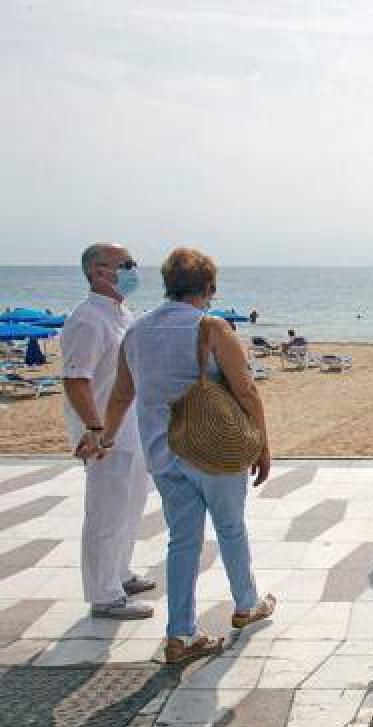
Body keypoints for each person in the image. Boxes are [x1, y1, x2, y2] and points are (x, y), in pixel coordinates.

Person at [79, 247, 276, 664]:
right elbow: (245, 390)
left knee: (182, 542)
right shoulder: (212, 328)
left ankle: (180, 635)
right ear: (208, 288)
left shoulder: (138, 331)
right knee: (230, 529)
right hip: (214, 451)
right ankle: (246, 604)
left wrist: (105, 438)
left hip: (163, 453)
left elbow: (120, 395)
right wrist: (261, 442)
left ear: (168, 285)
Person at [62, 243, 155, 621]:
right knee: (105, 510)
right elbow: (75, 378)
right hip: (104, 433)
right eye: (126, 265)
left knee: (130, 504)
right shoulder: (87, 319)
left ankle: (119, 573)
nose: (134, 271)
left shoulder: (120, 313)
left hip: (131, 427)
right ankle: (103, 595)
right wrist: (94, 428)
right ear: (100, 272)